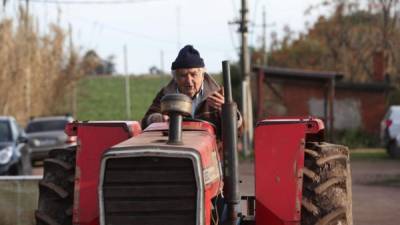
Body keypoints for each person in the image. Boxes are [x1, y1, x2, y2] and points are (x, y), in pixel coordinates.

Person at [141, 45, 242, 136]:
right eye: (183, 75)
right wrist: (157, 118)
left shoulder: (218, 95)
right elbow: (145, 123)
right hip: (175, 150)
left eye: (193, 74)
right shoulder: (165, 95)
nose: (189, 81)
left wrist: (229, 112)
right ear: (175, 78)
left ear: (202, 75)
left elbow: (239, 132)